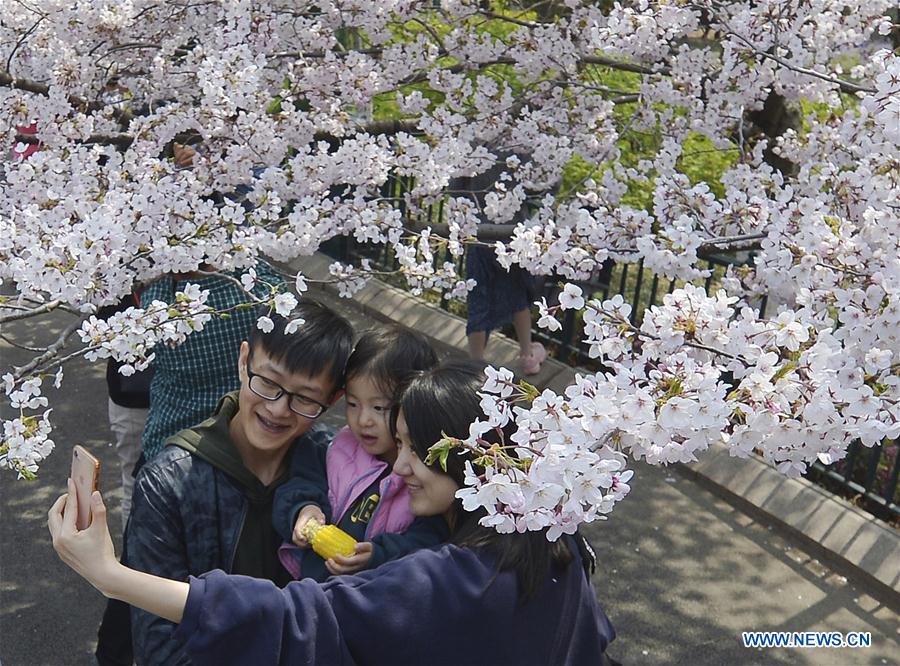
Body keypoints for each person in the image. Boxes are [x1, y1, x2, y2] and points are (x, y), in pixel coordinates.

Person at [49, 360, 618, 666]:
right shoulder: (559, 546)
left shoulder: (449, 579)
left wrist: (111, 576)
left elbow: (288, 617)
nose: (399, 467)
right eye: (398, 445)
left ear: (474, 457)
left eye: (417, 450)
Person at [123, 300, 354, 665]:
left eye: (305, 398)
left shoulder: (341, 469)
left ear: (334, 397)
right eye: (268, 383)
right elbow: (159, 643)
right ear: (244, 360)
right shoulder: (167, 483)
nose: (278, 409)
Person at [273, 326, 448, 581]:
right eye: (353, 404)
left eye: (379, 408)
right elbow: (299, 485)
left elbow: (429, 540)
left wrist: (378, 555)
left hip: (367, 595)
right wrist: (304, 509)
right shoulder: (333, 449)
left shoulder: (421, 476)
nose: (363, 420)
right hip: (306, 583)